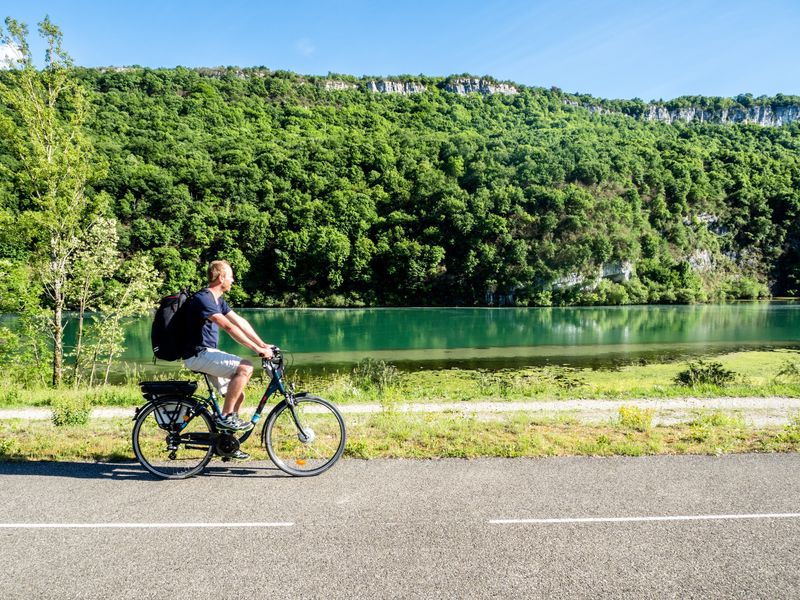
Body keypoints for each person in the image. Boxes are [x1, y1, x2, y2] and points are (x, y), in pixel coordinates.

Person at [182, 260, 273, 446]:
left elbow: (240, 322)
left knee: (238, 395)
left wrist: (263, 344)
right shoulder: (204, 298)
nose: (233, 280)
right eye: (230, 276)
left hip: (207, 354)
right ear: (221, 277)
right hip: (197, 354)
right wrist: (256, 350)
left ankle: (228, 442)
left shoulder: (218, 300)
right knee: (245, 367)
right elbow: (228, 327)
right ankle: (225, 417)